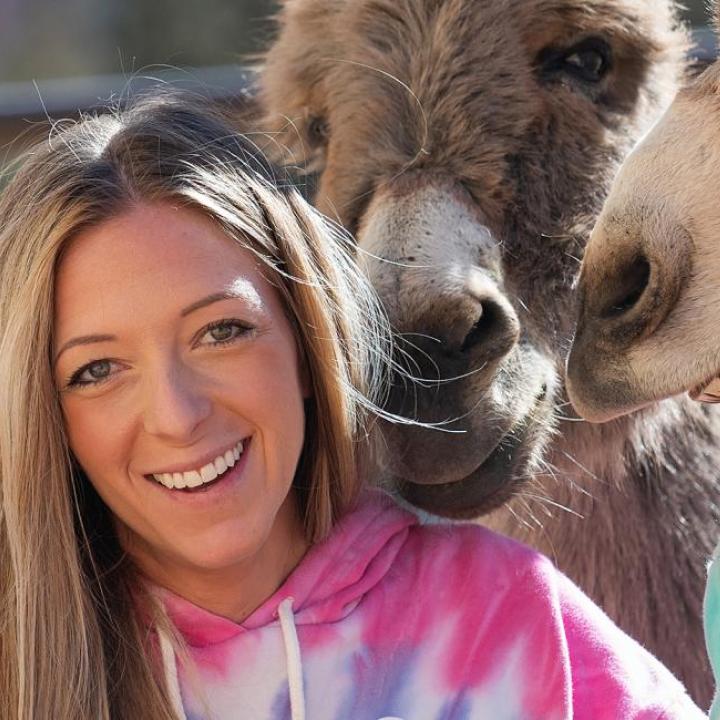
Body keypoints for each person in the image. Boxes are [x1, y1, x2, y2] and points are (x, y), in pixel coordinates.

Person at [0, 94, 704, 720]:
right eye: (97, 370)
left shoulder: (512, 619)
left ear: (306, 341)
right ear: (44, 411)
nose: (177, 416)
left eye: (222, 332)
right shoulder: (23, 665)